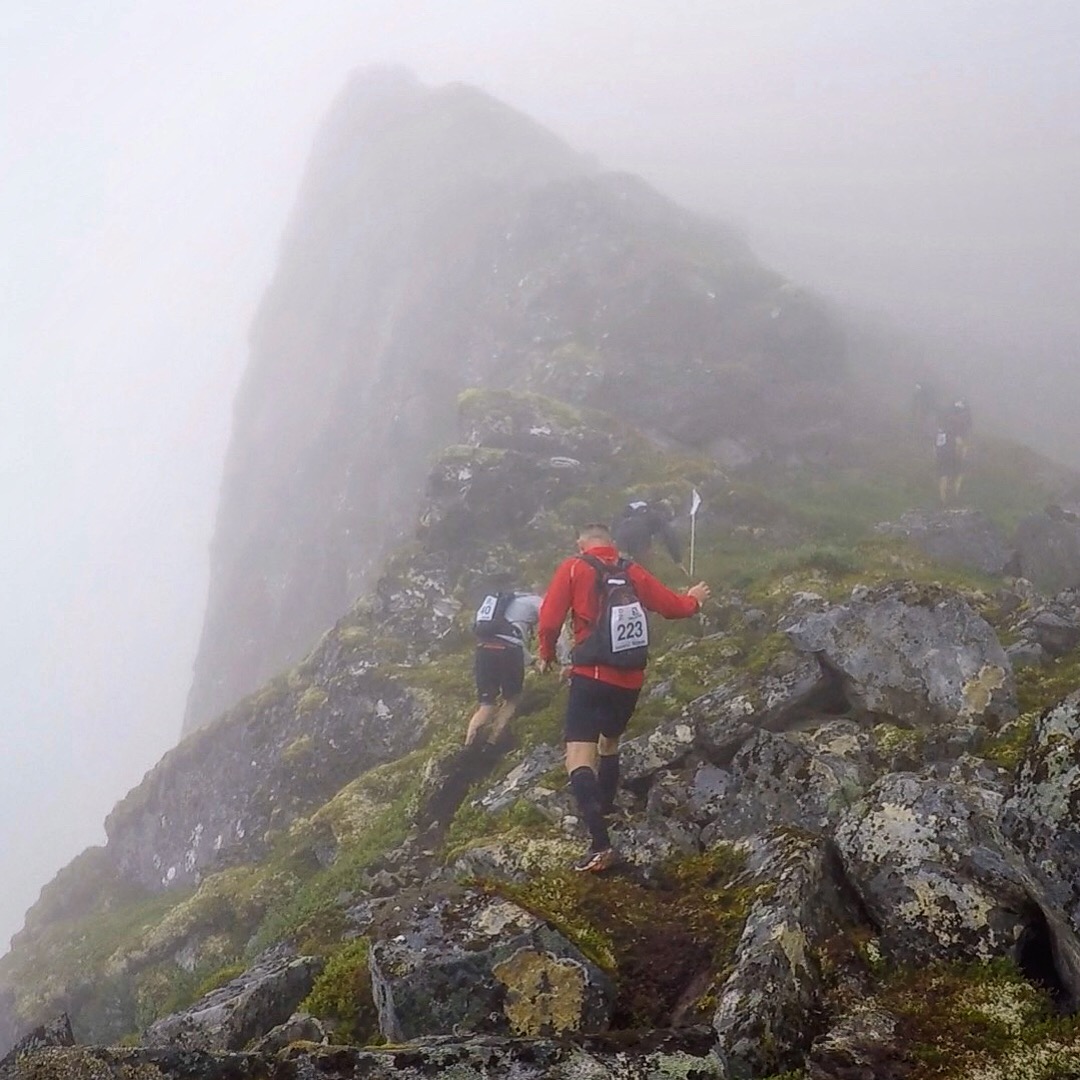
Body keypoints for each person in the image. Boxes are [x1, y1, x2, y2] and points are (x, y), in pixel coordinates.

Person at [537, 523, 711, 872]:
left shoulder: (574, 567)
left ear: (581, 544)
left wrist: (546, 654)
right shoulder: (631, 570)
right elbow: (672, 606)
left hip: (590, 675)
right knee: (610, 740)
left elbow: (550, 619)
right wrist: (694, 599)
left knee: (578, 757)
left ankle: (600, 844)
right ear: (612, 545)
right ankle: (608, 804)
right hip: (629, 680)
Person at [465, 585, 543, 749]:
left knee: (486, 704)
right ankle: (491, 743)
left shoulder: (501, 603)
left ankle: (467, 747)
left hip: (483, 649)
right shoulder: (537, 602)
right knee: (512, 699)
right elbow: (552, 627)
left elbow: (504, 635)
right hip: (509, 651)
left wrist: (531, 660)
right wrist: (564, 660)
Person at [611, 499, 684, 569]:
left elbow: (616, 522)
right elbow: (670, 536)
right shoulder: (658, 516)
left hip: (620, 533)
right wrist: (678, 560)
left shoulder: (635, 509)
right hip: (639, 533)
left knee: (622, 565)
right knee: (642, 568)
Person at [935, 424, 964, 506]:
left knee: (943, 477)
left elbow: (934, 447)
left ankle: (942, 499)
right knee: (957, 476)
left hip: (941, 457)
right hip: (952, 457)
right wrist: (959, 455)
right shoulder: (953, 431)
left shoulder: (938, 433)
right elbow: (959, 443)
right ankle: (955, 497)